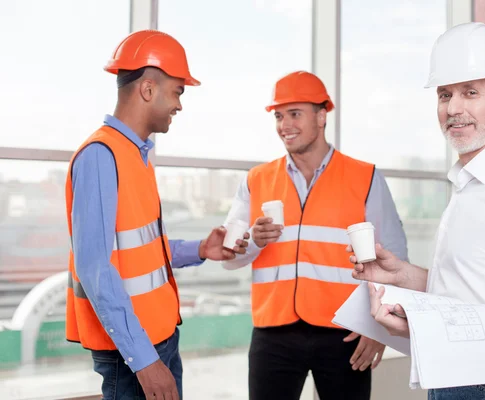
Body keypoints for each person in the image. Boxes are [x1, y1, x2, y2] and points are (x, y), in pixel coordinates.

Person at [350, 22, 485, 399]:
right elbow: (471, 289)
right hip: (460, 378)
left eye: (470, 92)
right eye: (444, 94)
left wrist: (424, 326)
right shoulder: (471, 183)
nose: (453, 108)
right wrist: (402, 275)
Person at [64, 30, 249, 400]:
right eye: (177, 92)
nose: (179, 105)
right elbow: (95, 269)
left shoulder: (136, 154)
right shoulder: (102, 156)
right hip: (133, 354)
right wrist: (145, 362)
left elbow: (139, 249)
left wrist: (200, 249)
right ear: (148, 89)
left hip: (155, 338)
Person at [221, 71, 409, 400]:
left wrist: (380, 326)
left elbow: (395, 256)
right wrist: (254, 239)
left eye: (295, 114)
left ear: (322, 116)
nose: (284, 125)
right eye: (279, 116)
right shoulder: (256, 179)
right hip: (273, 334)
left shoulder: (364, 177)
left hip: (345, 333)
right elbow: (228, 259)